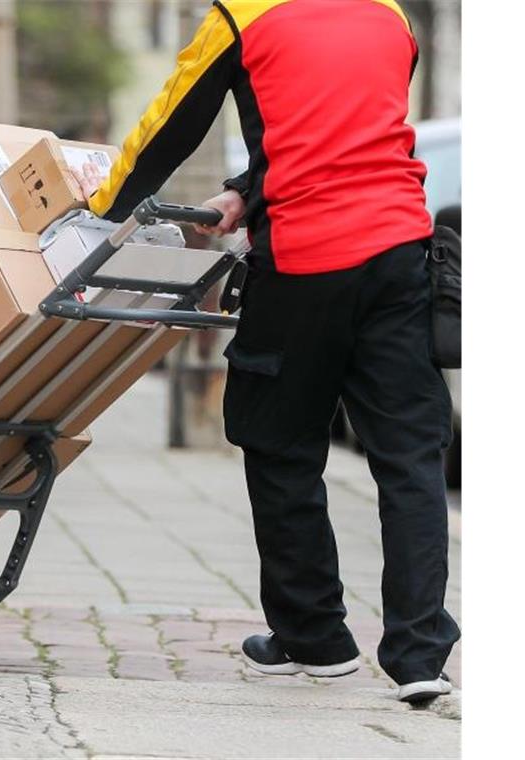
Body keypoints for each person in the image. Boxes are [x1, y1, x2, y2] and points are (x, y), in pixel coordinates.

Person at [71, 0, 458, 704]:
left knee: (278, 442)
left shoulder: (242, 14)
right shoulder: (389, 14)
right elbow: (348, 126)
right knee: (410, 454)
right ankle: (420, 652)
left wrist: (97, 208)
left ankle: (313, 637)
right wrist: (247, 191)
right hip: (401, 254)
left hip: (305, 261)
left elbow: (171, 124)